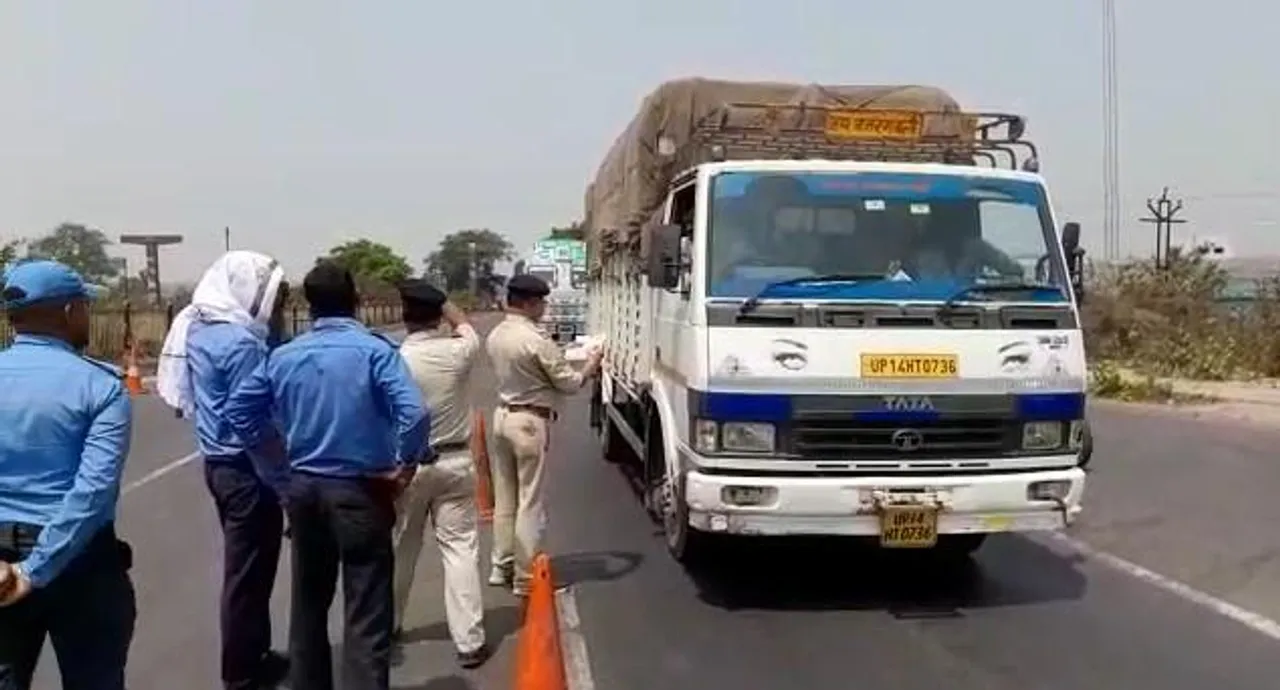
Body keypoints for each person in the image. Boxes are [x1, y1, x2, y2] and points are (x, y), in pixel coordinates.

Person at [224, 260, 432, 690]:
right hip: (361, 489)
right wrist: (406, 464)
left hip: (303, 488)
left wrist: (276, 470)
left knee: (308, 604)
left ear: (308, 305)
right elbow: (413, 413)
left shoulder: (283, 356)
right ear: (355, 301)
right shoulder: (375, 352)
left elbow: (240, 412)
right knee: (367, 610)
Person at [155, 251, 290, 690]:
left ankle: (256, 654)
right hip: (246, 469)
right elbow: (249, 418)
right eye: (273, 298)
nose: (276, 309)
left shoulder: (199, 329)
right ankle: (242, 673)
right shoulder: (243, 343)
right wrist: (284, 479)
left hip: (218, 464)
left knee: (250, 570)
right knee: (248, 574)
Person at [0, 260, 136, 690]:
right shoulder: (100, 387)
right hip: (80, 562)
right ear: (67, 313)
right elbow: (91, 493)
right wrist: (34, 570)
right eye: (84, 307)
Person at [484, 274, 603, 597]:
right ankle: (525, 577)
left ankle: (501, 564)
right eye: (542, 303)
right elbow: (568, 383)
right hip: (529, 422)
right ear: (530, 303)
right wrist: (591, 363)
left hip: (502, 415)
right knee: (530, 501)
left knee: (505, 498)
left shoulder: (496, 334)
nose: (545, 308)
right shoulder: (535, 340)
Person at [391, 281, 488, 668]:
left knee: (401, 549)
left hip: (407, 467)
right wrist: (445, 301)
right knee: (460, 551)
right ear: (438, 314)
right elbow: (464, 324)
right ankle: (469, 641)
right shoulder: (459, 351)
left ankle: (389, 624)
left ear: (404, 316)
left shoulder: (395, 358)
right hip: (455, 463)